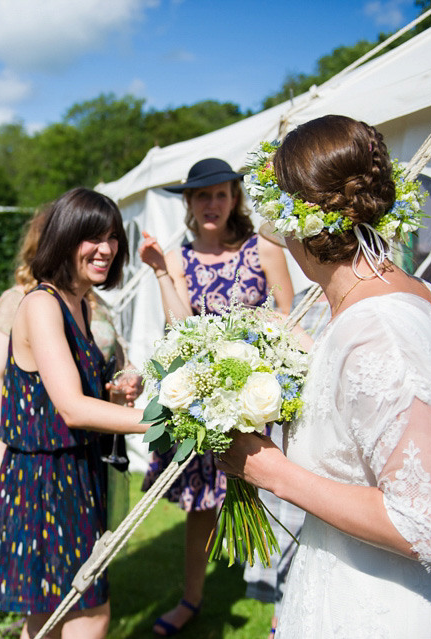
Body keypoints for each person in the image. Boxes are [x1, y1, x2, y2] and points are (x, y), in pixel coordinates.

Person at [217, 114, 431, 638]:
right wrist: (311, 354)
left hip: (391, 609)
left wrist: (268, 470)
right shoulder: (405, 294)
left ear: (294, 221)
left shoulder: (377, 329)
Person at [137, 157, 295, 636]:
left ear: (234, 199)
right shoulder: (180, 258)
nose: (212, 204)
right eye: (202, 195)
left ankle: (279, 608)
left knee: (272, 498)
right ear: (189, 202)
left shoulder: (262, 246)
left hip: (257, 398)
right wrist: (163, 273)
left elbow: (287, 313)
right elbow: (180, 329)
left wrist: (257, 361)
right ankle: (192, 599)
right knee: (203, 508)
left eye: (221, 194)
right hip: (208, 402)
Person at [0, 187, 148, 639]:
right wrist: (165, 419)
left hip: (76, 473)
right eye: (92, 238)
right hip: (43, 480)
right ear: (65, 239)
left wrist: (117, 391)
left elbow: (76, 394)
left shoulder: (78, 303)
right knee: (84, 613)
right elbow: (72, 408)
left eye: (113, 237)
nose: (106, 249)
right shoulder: (42, 304)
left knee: (51, 617)